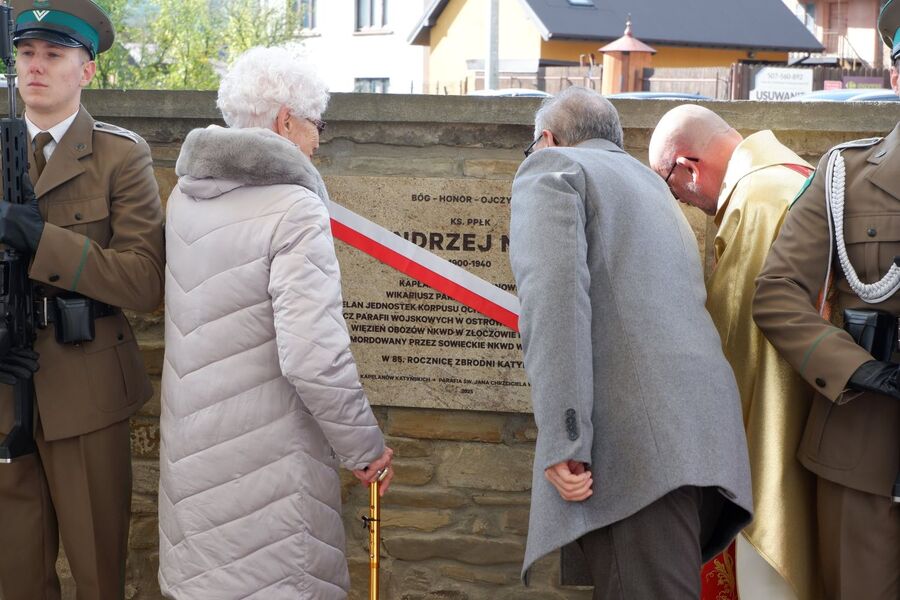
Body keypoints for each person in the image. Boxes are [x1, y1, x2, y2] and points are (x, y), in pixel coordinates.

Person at [158, 46, 393, 600]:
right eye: (316, 125)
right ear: (286, 121)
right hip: (270, 477)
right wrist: (364, 449)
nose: (318, 141)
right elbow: (313, 356)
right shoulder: (294, 207)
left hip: (194, 466)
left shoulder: (186, 198)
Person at [509, 86, 752, 599]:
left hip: (637, 455)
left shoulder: (553, 170)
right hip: (700, 441)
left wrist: (565, 437)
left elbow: (554, 307)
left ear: (548, 139)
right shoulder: (654, 187)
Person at [0, 1, 165, 599]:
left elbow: (145, 282)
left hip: (87, 386)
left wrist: (42, 240)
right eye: (25, 53)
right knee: (14, 577)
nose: (35, 67)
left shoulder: (121, 156)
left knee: (98, 573)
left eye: (54, 54)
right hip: (4, 387)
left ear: (86, 69)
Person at [753, 2, 900, 598]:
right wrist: (860, 369)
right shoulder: (847, 175)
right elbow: (778, 292)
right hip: (865, 450)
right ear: (896, 73)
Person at [649, 106, 820, 600]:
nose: (679, 199)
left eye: (670, 185)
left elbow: (737, 344)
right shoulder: (790, 174)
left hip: (772, 426)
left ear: (688, 166)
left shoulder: (758, 200)